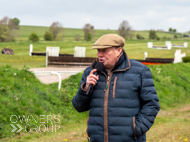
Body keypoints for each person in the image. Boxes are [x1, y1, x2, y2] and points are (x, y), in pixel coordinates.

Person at [72, 34, 160, 142]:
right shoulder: (90, 72)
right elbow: (79, 106)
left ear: (119, 50)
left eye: (104, 51)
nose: (100, 55)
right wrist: (85, 88)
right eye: (98, 51)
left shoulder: (140, 71)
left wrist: (136, 129)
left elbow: (152, 104)